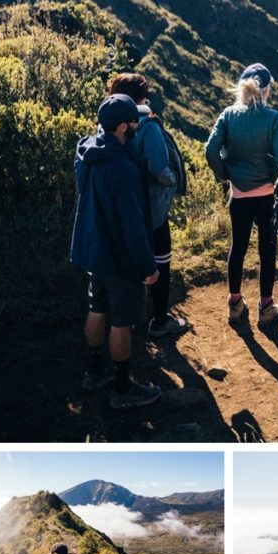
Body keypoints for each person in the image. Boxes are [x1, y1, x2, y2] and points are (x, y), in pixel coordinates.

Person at [70, 94, 162, 409]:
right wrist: (149, 267)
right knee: (121, 320)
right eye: (135, 122)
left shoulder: (86, 152)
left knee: (97, 308)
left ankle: (94, 371)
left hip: (93, 249)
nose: (139, 125)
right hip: (119, 256)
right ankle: (123, 389)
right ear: (123, 126)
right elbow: (133, 226)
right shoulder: (123, 168)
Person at [205, 63, 278, 330]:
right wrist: (274, 182)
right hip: (266, 195)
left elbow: (210, 151)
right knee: (267, 249)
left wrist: (225, 174)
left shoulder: (229, 115)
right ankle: (266, 307)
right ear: (266, 90)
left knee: (238, 247)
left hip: (238, 194)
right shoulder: (275, 119)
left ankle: (235, 303)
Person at [107, 73, 189, 339]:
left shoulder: (108, 123)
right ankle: (160, 319)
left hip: (120, 206)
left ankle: (127, 320)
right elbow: (158, 165)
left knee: (131, 259)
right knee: (160, 260)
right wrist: (173, 180)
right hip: (151, 207)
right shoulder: (148, 125)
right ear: (141, 98)